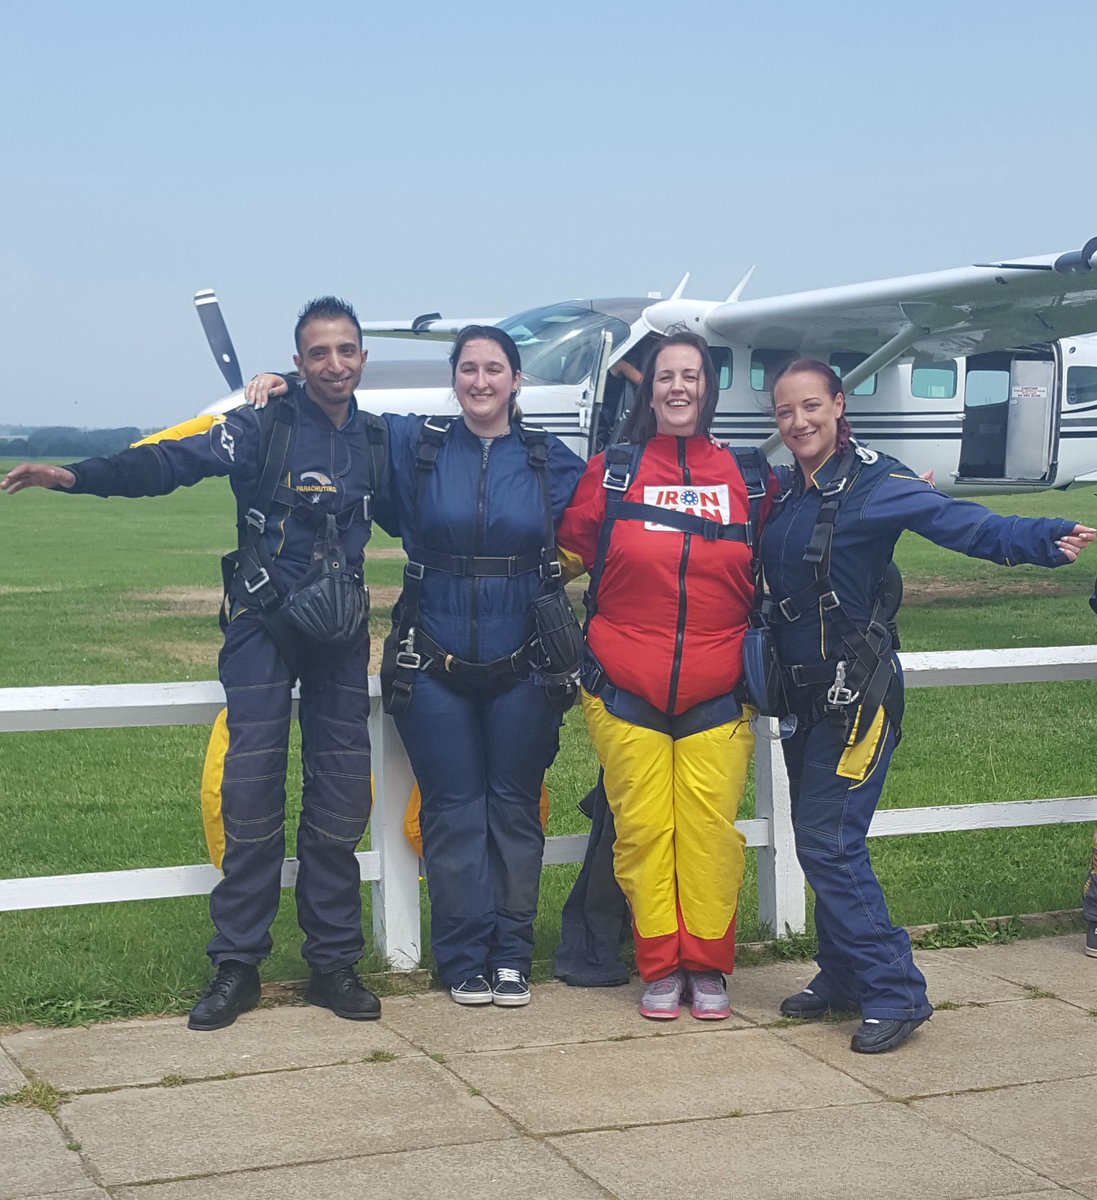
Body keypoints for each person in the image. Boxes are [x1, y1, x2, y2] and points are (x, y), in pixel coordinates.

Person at [1, 297, 390, 1031]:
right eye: (318, 353)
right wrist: (76, 477)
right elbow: (168, 461)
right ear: (298, 362)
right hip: (262, 627)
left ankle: (332, 964)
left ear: (362, 359)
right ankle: (236, 965)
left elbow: (443, 501)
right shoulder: (258, 426)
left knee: (339, 802)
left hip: (338, 636)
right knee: (249, 797)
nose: (334, 364)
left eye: (346, 351)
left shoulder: (380, 440)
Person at [761, 357, 1095, 1053]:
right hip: (804, 698)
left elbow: (959, 524)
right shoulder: (788, 493)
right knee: (820, 841)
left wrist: (1041, 539)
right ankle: (845, 975)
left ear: (837, 405)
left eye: (810, 407)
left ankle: (895, 990)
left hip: (859, 700)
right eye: (785, 412)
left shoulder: (875, 484)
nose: (798, 422)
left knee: (829, 841)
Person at [248, 326, 585, 1006]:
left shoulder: (554, 462)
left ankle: (512, 955)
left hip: (525, 664)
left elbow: (615, 525)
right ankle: (462, 957)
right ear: (455, 378)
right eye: (468, 368)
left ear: (516, 380)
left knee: (514, 812)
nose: (481, 381)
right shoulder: (416, 446)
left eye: (495, 369)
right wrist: (287, 391)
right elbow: (339, 415)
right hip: (432, 663)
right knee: (453, 813)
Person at [556, 330, 768, 1020]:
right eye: (665, 377)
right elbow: (557, 558)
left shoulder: (749, 478)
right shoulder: (613, 472)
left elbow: (802, 548)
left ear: (706, 389)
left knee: (708, 835)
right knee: (643, 831)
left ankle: (705, 967)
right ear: (648, 391)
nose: (678, 387)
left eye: (691, 376)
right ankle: (657, 965)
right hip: (623, 690)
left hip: (718, 690)